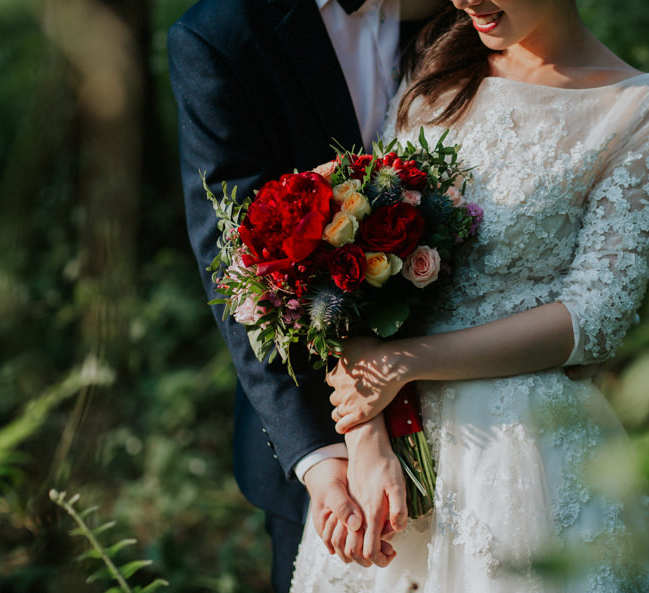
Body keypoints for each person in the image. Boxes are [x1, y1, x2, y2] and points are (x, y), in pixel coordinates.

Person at [290, 0, 649, 591]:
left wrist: (406, 364)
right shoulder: (437, 68)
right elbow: (356, 251)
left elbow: (594, 316)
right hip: (397, 439)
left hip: (522, 452)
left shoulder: (636, 108)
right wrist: (366, 436)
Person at [167, 1, 445, 591]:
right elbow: (237, 260)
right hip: (320, 424)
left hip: (471, 397)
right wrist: (322, 458)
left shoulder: (452, 6)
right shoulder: (223, 36)